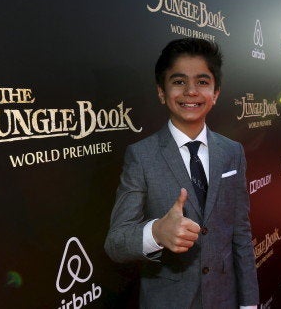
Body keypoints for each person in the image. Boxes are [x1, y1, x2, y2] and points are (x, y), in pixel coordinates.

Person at [104, 38, 259, 308]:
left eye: (202, 82)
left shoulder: (232, 151)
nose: (191, 91)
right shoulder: (141, 156)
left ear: (216, 93)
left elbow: (241, 234)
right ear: (161, 92)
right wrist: (156, 233)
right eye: (178, 82)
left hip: (225, 299)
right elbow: (116, 243)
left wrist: (248, 303)